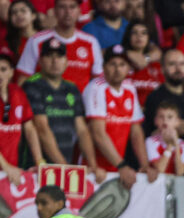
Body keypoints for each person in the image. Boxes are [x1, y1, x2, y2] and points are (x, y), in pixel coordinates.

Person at [22, 38, 101, 181]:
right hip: (36, 168)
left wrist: (92, 164)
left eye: (59, 56)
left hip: (64, 166)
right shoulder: (32, 86)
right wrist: (65, 167)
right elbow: (41, 128)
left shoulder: (72, 88)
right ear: (40, 61)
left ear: (66, 62)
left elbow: (82, 129)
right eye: (49, 56)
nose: (54, 61)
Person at [83, 45, 156, 189]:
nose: (117, 70)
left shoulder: (129, 88)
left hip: (116, 168)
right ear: (103, 67)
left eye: (122, 65)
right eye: (112, 64)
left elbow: (136, 131)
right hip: (93, 169)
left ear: (128, 68)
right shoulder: (96, 87)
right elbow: (98, 133)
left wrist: (145, 165)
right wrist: (122, 165)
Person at [17, 0, 103, 92]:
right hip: (44, 103)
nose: (68, 12)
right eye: (62, 7)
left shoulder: (91, 42)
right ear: (54, 11)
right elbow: (23, 79)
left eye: (72, 7)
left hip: (80, 104)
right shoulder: (36, 41)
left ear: (79, 11)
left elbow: (98, 81)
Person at [143, 49, 184, 140]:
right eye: (172, 64)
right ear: (162, 69)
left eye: (182, 64)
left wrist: (179, 127)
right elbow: (162, 130)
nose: (178, 69)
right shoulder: (155, 97)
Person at [0, 53, 43, 180]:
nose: (0, 74)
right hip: (8, 169)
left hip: (12, 170)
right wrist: (6, 166)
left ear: (11, 73)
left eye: (3, 70)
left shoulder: (18, 93)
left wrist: (39, 162)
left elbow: (29, 129)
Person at [122, 21, 163, 106]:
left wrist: (145, 59)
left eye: (144, 33)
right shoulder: (121, 62)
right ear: (128, 37)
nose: (139, 36)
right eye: (134, 33)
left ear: (148, 38)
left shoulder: (156, 65)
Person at [145, 101, 184, 175]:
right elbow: (159, 170)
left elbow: (180, 172)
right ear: (155, 121)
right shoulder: (150, 141)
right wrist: (170, 146)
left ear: (177, 121)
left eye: (170, 117)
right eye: (161, 117)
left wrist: (176, 145)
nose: (165, 120)